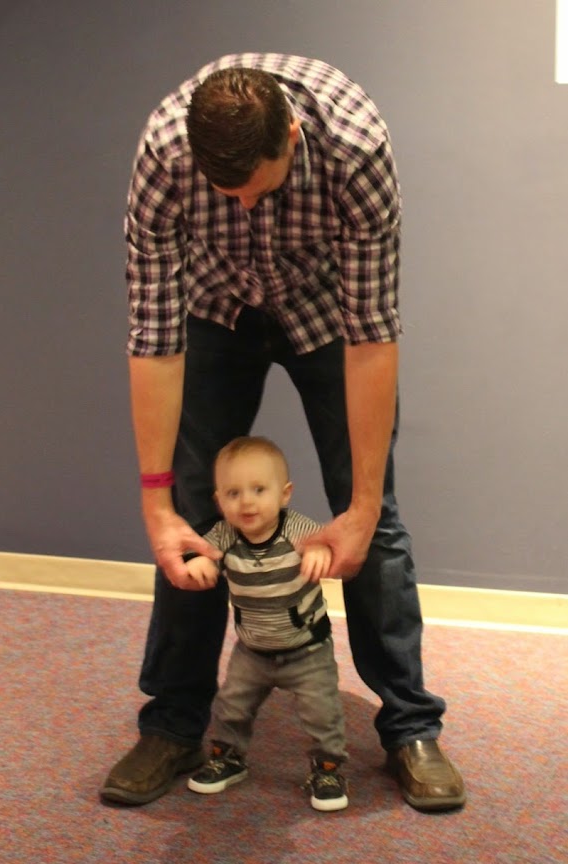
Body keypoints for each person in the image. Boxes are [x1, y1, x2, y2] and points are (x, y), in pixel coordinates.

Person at [100, 52, 466, 811]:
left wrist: (361, 504)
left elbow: (372, 334)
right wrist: (154, 503)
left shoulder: (355, 147)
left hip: (329, 314)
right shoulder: (165, 152)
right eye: (223, 194)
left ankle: (409, 726)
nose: (240, 207)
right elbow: (153, 337)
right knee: (191, 516)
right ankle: (172, 723)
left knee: (374, 521)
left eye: (256, 190)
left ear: (291, 137)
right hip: (214, 309)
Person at [183, 435, 348, 812]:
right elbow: (203, 552)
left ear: (284, 494)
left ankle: (328, 769)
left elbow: (324, 543)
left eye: (259, 490)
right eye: (233, 493)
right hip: (252, 651)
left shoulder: (297, 530)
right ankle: (228, 758)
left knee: (322, 713)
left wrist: (320, 551)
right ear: (219, 501)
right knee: (231, 706)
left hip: (307, 651)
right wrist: (201, 561)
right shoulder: (225, 534)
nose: (247, 502)